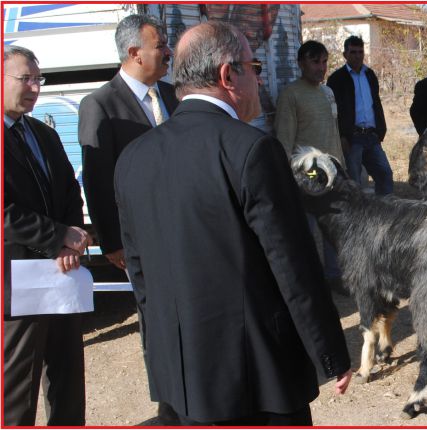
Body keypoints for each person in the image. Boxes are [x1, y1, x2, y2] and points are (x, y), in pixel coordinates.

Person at [113, 22, 352, 425]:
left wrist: (163, 359)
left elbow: (141, 279)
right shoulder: (252, 150)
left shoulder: (133, 157)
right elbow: (293, 266)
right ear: (228, 75)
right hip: (256, 381)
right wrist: (331, 353)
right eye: (253, 66)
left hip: (180, 377)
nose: (259, 78)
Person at [3, 45, 92, 426]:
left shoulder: (42, 132)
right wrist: (56, 237)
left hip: (60, 273)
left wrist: (72, 237)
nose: (35, 88)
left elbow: (70, 188)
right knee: (18, 380)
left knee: (68, 372)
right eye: (26, 79)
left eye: (39, 79)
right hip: (16, 278)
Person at [79, 14, 177, 272]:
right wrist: (111, 241)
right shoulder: (100, 105)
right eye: (160, 46)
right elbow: (97, 179)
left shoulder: (173, 94)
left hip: (182, 225)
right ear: (135, 53)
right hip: (139, 234)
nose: (169, 52)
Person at [273, 40, 345, 293]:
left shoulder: (328, 93)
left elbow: (333, 133)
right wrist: (290, 178)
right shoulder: (291, 95)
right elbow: (284, 140)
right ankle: (310, 282)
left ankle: (334, 276)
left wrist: (341, 167)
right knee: (307, 230)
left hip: (333, 173)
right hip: (309, 173)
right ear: (301, 63)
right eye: (316, 62)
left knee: (333, 227)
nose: (321, 68)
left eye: (325, 62)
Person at [326, 35, 394, 195]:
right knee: (354, 182)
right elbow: (333, 112)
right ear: (345, 54)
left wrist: (380, 130)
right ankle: (358, 218)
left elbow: (376, 104)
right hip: (352, 138)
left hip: (372, 136)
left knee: (385, 174)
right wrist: (342, 136)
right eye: (353, 52)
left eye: (360, 52)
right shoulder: (337, 79)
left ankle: (385, 212)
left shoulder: (370, 75)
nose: (357, 56)